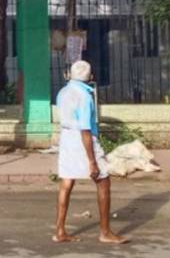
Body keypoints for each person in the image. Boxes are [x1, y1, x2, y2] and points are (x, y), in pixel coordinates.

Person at [53, 60, 129, 245]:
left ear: (69, 75)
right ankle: (105, 232)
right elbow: (85, 130)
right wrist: (92, 161)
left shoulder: (63, 92)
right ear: (90, 77)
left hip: (66, 138)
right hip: (82, 139)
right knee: (103, 181)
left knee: (67, 181)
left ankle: (60, 230)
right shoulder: (85, 96)